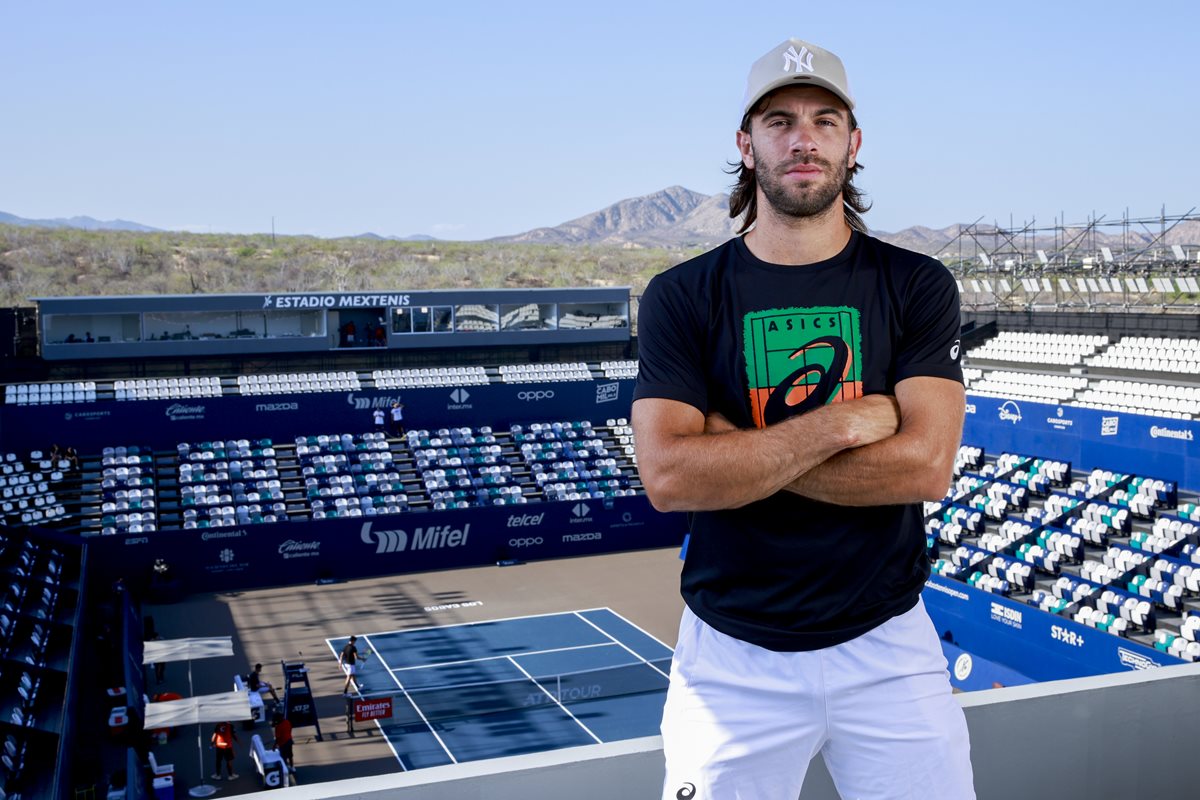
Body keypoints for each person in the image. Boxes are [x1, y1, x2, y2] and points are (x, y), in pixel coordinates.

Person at [632, 38, 974, 799]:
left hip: (888, 647)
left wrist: (735, 451)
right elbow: (669, 478)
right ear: (745, 145)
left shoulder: (915, 284)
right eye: (779, 120)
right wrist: (839, 427)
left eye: (825, 120)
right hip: (730, 660)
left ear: (853, 144)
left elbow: (925, 467)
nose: (803, 138)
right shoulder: (682, 295)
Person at [272, 711, 295, 777]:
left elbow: (278, 738)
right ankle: (292, 767)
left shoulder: (278, 727)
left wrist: (274, 745)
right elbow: (290, 729)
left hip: (283, 744)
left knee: (283, 757)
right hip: (289, 740)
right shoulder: (287, 722)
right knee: (290, 755)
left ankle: (285, 769)